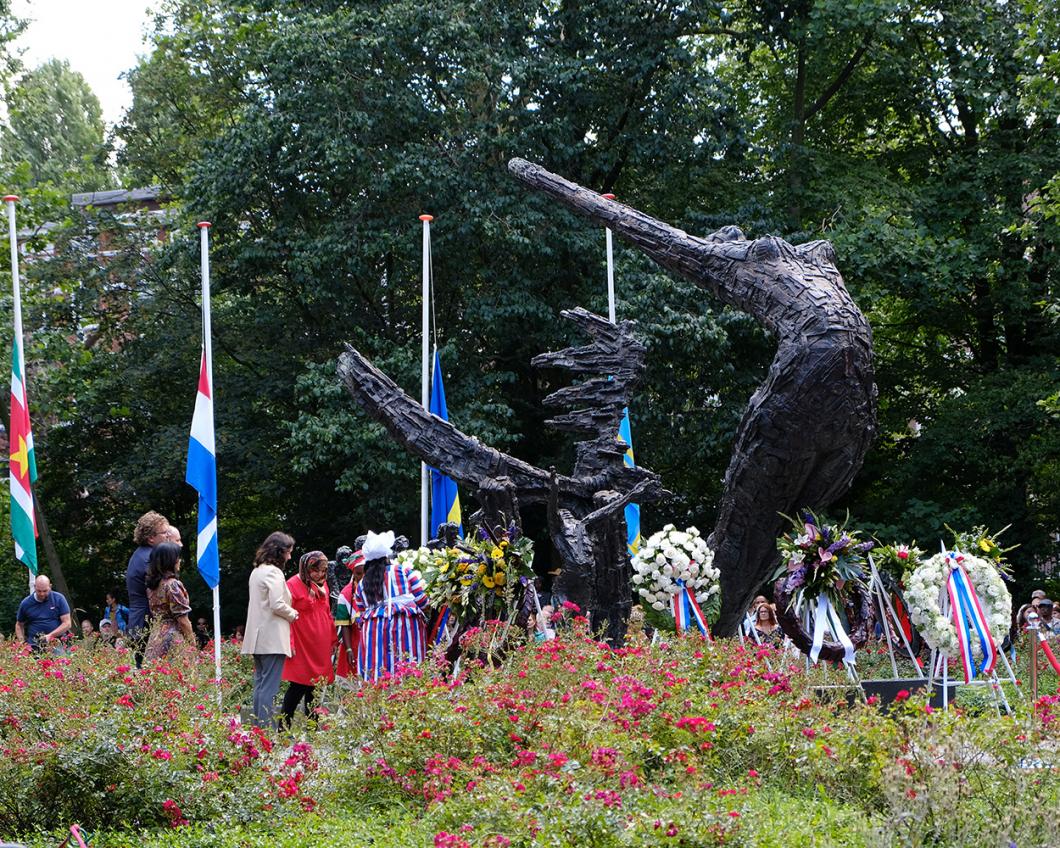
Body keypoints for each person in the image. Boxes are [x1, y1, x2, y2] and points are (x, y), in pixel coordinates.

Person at [352, 530, 429, 682]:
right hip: (405, 626)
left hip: (373, 631)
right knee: (408, 667)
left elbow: (360, 611)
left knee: (376, 668)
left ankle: (376, 700)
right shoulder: (405, 571)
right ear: (387, 556)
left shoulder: (361, 584)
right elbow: (423, 601)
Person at [242, 532, 299, 729]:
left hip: (257, 638)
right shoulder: (274, 572)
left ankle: (258, 729)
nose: (289, 557)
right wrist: (293, 614)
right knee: (270, 687)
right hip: (272, 638)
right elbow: (277, 604)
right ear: (279, 551)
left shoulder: (257, 571)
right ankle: (265, 732)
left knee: (260, 685)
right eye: (288, 552)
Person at [280, 551, 337, 729]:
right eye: (316, 570)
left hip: (319, 644)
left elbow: (327, 613)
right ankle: (283, 729)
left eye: (324, 571)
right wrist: (288, 642)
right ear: (307, 568)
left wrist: (333, 640)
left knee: (315, 687)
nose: (320, 575)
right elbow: (285, 616)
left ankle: (312, 729)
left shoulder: (323, 586)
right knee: (297, 686)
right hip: (302, 643)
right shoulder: (292, 585)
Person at [144, 541, 195, 661]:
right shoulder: (173, 585)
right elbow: (182, 620)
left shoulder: (153, 586)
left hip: (156, 637)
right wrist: (192, 644)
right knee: (177, 675)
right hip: (173, 638)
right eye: (178, 557)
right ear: (171, 560)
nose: (180, 560)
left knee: (157, 674)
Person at [126, 511, 171, 641]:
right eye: (164, 533)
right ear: (151, 538)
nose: (168, 536)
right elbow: (163, 592)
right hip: (146, 624)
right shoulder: (150, 558)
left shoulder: (140, 554)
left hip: (138, 622)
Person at [15, 575, 72, 651]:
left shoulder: (59, 598)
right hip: (34, 646)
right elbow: (19, 625)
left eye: (45, 591)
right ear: (35, 587)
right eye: (39, 591)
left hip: (57, 643)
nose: (42, 594)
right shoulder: (26, 603)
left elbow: (67, 623)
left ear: (50, 586)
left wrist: (50, 636)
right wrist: (22, 643)